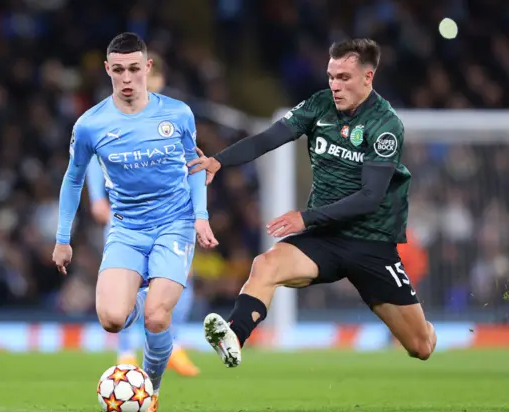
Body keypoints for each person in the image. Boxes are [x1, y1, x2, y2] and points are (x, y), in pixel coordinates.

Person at [187, 38, 437, 368]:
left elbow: (370, 197)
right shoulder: (319, 105)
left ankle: (430, 329)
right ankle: (235, 335)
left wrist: (305, 217)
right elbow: (269, 137)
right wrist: (220, 160)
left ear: (367, 77)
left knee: (420, 346)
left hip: (371, 243)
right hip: (325, 238)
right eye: (331, 76)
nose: (334, 85)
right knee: (266, 265)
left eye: (344, 77)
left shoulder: (385, 124)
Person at [53, 32, 218, 412]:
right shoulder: (90, 125)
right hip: (127, 227)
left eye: (134, 69)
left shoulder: (177, 114)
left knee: (158, 317)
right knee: (112, 319)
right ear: (107, 70)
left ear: (147, 68)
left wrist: (200, 216)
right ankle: (142, 297)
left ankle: (149, 392)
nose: (127, 79)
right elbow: (73, 178)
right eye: (118, 71)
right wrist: (62, 238)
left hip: (174, 224)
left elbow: (195, 166)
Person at [85, 52, 201, 377]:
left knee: (175, 284)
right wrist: (97, 199)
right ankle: (126, 352)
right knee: (129, 284)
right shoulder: (114, 116)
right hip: (128, 216)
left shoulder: (169, 117)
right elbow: (95, 158)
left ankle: (166, 343)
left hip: (170, 216)